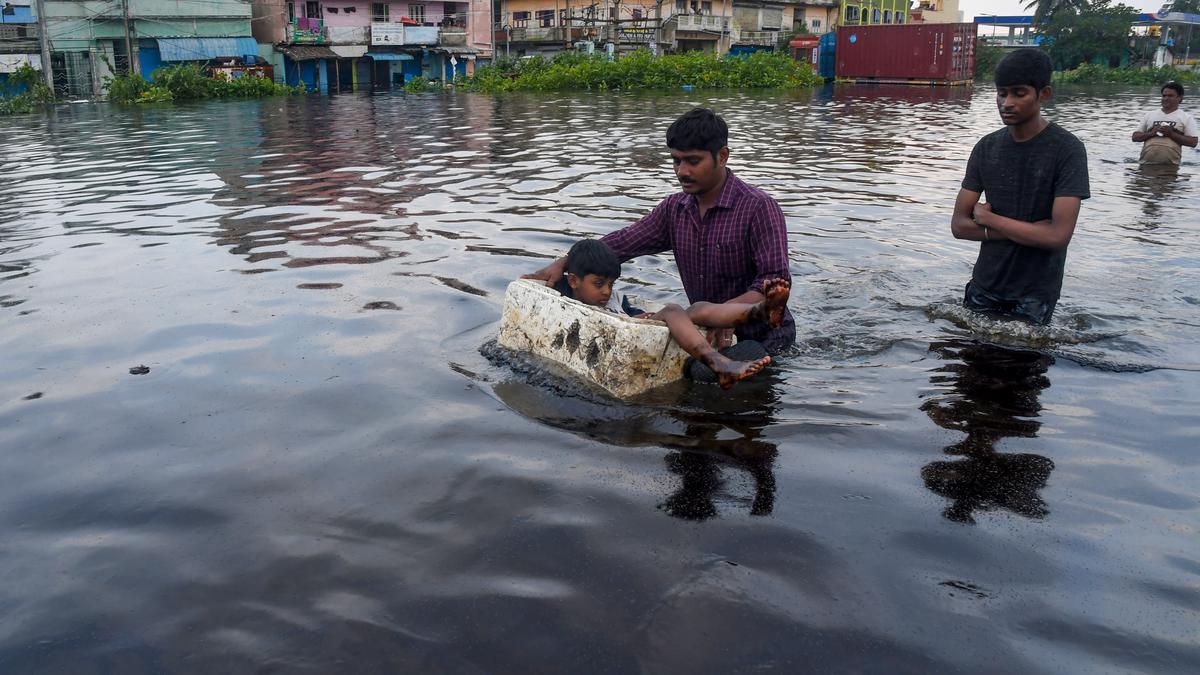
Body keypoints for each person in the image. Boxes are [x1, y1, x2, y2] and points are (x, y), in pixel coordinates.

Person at [525, 107, 795, 379]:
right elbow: (623, 243)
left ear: (722, 156)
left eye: (693, 161)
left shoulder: (759, 208)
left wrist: (727, 315)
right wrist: (566, 262)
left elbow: (773, 281)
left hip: (765, 336)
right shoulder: (675, 210)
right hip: (703, 329)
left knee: (717, 392)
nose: (682, 171)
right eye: (676, 161)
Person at [950, 48, 1090, 326]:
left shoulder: (1067, 149)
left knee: (1023, 366)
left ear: (1044, 94)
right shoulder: (986, 147)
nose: (1007, 103)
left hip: (1035, 295)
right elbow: (959, 226)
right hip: (984, 286)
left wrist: (990, 221)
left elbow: (1058, 236)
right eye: (1002, 93)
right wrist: (1028, 231)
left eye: (1019, 93)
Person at [552, 239, 788, 389]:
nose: (606, 291)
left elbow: (632, 313)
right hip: (621, 336)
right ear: (573, 281)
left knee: (696, 309)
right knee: (674, 310)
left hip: (634, 330)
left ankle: (760, 310)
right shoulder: (564, 301)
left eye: (611, 284)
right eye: (599, 283)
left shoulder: (614, 299)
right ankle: (719, 363)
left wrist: (644, 316)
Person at [1131, 81, 1198, 166]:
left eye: (1170, 96)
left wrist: (1171, 134)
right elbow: (1135, 137)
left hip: (1171, 166)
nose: (1166, 98)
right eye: (1164, 96)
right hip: (1145, 164)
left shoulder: (1186, 117)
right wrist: (1152, 133)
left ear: (1180, 98)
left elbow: (1193, 142)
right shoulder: (1150, 115)